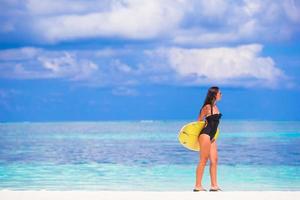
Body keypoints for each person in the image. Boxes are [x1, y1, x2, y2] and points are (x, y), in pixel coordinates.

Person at [193, 86, 222, 192]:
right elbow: (198, 122)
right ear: (214, 94)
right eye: (220, 93)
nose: (221, 95)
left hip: (212, 136)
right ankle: (197, 186)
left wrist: (214, 135)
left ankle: (214, 185)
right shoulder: (207, 107)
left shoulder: (216, 107)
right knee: (203, 160)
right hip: (205, 135)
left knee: (214, 160)